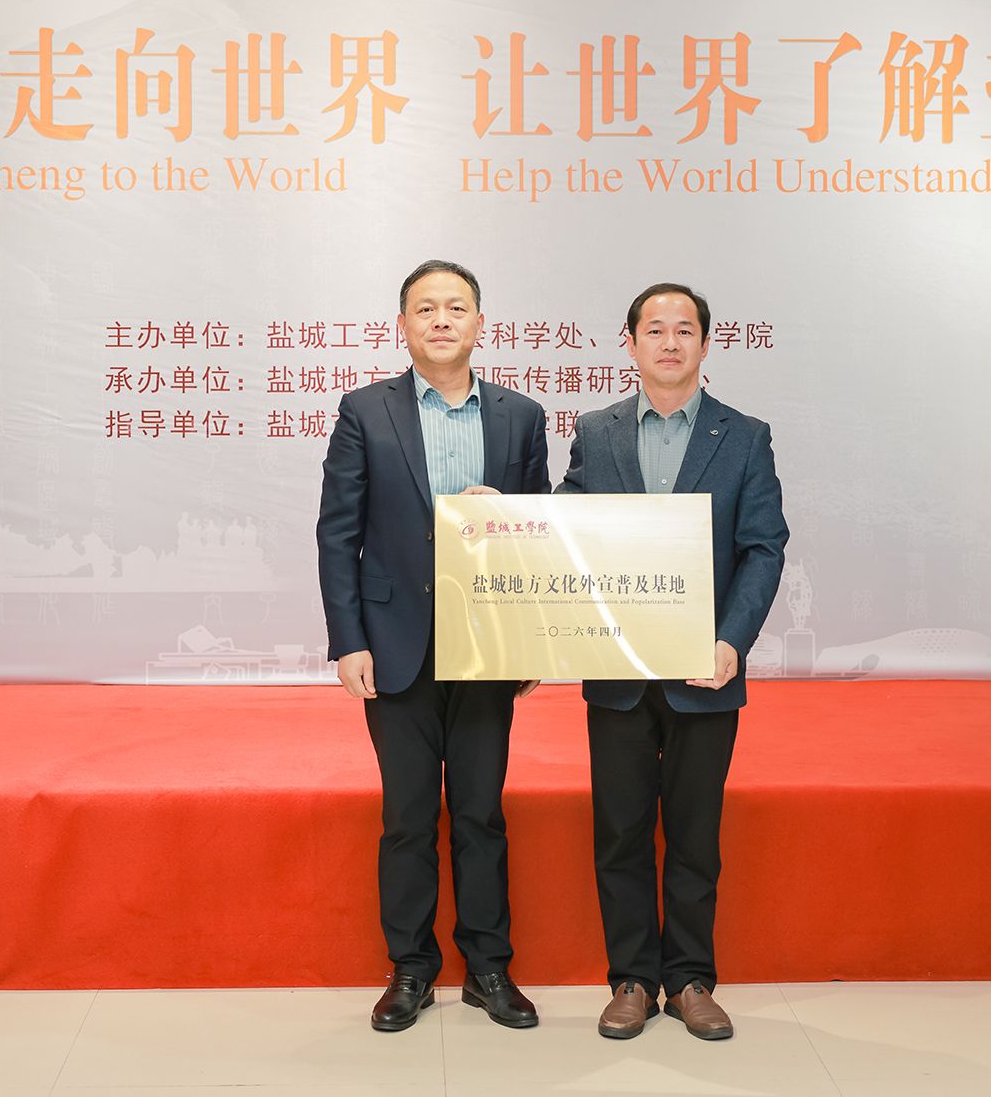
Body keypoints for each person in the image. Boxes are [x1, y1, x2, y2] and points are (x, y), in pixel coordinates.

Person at [316, 259, 551, 1032]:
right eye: (426, 309)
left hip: (488, 642)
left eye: (456, 308)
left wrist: (531, 637)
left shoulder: (521, 416)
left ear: (481, 323)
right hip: (395, 644)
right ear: (403, 325)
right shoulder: (365, 411)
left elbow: (542, 533)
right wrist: (348, 640)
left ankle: (488, 968)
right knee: (409, 816)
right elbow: (337, 533)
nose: (442, 320)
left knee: (481, 813)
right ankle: (411, 968)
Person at [555, 281, 788, 1042]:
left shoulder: (744, 436)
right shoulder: (596, 431)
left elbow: (763, 547)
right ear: (629, 343)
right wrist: (500, 518)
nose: (669, 342)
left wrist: (732, 641)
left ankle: (689, 980)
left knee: (694, 833)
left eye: (684, 329)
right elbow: (563, 528)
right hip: (618, 672)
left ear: (705, 345)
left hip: (704, 671)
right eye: (654, 329)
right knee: (620, 832)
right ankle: (630, 978)